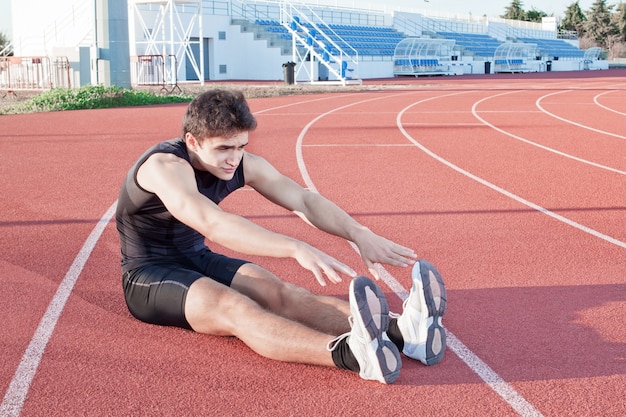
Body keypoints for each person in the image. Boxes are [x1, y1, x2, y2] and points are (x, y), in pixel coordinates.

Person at [115, 89, 447, 384]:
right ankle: (352, 354)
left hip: (196, 258)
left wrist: (358, 233)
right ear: (192, 141)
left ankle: (404, 332)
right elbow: (212, 223)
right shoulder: (164, 167)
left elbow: (303, 199)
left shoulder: (242, 163)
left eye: (242, 146)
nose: (234, 158)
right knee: (234, 307)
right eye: (224, 148)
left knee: (281, 293)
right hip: (150, 274)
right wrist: (293, 247)